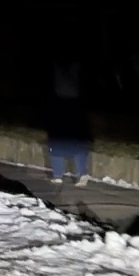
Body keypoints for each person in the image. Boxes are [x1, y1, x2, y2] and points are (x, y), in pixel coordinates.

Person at [47, 56, 91, 185]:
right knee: (77, 147)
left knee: (57, 147)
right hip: (70, 106)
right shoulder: (75, 101)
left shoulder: (59, 99)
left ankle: (58, 175)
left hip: (64, 104)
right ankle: (81, 174)